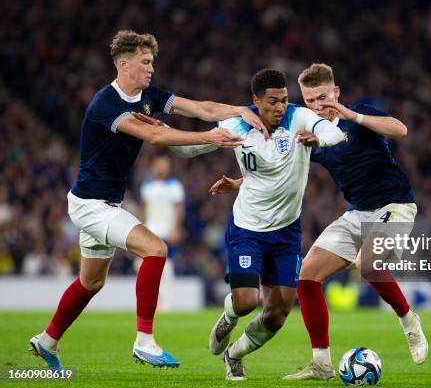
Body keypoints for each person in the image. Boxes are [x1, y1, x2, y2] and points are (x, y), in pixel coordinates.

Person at [28, 29, 267, 370]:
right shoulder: (105, 104)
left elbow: (199, 106)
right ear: (123, 65)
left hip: (105, 203)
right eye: (145, 62)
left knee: (91, 281)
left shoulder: (149, 95)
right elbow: (154, 134)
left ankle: (47, 340)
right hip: (90, 205)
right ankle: (145, 340)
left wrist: (241, 110)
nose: (151, 68)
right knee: (156, 250)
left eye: (152, 61)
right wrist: (209, 136)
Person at [211, 63, 428, 381]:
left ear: (336, 93)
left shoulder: (359, 116)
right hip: (356, 213)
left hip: (395, 206)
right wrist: (238, 183)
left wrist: (352, 116)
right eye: (310, 101)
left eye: (324, 98)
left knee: (367, 265)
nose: (318, 106)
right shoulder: (307, 133)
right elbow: (277, 172)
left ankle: (410, 323)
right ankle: (322, 363)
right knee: (307, 278)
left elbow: (400, 130)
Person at [173, 68, 345, 380]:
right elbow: (193, 148)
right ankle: (229, 315)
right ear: (255, 101)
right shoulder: (237, 124)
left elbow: (335, 132)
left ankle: (234, 353)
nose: (280, 107)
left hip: (287, 231)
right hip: (248, 228)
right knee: (246, 303)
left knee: (278, 314)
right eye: (272, 102)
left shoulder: (299, 118)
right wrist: (159, 134)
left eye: (284, 100)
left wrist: (318, 138)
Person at [139, 155, 185, 311]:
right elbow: (144, 208)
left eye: (164, 165)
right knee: (144, 266)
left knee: (167, 267)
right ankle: (148, 302)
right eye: (159, 165)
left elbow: (179, 209)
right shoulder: (147, 185)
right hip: (150, 231)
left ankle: (165, 303)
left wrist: (176, 228)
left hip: (166, 232)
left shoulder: (174, 186)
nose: (162, 168)